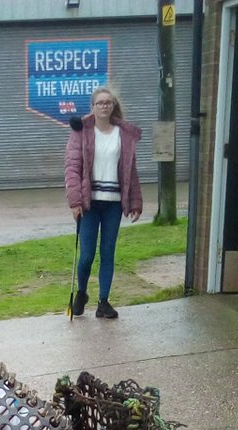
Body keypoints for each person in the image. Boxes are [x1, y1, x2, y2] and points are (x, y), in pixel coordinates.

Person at [64, 86, 142, 319]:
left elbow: (130, 170)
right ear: (93, 107)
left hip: (113, 204)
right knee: (87, 255)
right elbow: (72, 167)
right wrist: (75, 201)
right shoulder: (81, 132)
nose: (104, 106)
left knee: (108, 252)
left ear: (113, 106)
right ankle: (82, 292)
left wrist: (135, 202)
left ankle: (104, 302)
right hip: (89, 203)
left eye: (108, 102)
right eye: (100, 103)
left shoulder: (123, 134)